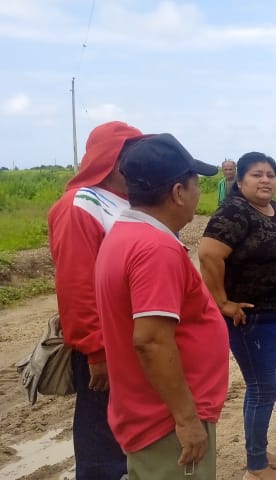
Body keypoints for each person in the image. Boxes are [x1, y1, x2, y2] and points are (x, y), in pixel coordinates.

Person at [95, 133, 228, 479]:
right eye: (196, 184)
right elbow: (151, 341)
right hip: (166, 423)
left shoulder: (123, 235)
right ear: (178, 192)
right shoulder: (156, 249)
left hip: (147, 411)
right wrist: (186, 419)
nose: (198, 194)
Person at [199, 152, 276, 480]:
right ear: (240, 180)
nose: (265, 180)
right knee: (263, 387)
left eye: (270, 174)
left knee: (262, 386)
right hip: (251, 319)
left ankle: (258, 450)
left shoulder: (273, 209)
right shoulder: (234, 211)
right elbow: (208, 254)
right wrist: (222, 302)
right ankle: (257, 468)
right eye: (257, 174)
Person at [46, 120, 142, 479]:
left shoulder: (127, 203)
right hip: (105, 346)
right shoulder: (81, 205)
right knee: (102, 438)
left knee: (131, 432)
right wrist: (95, 352)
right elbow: (77, 286)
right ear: (114, 160)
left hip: (135, 339)